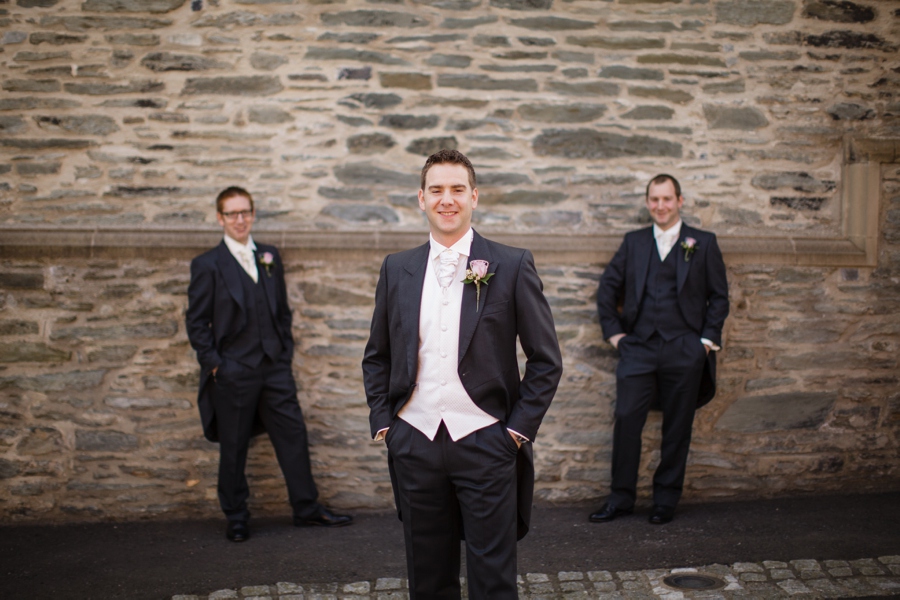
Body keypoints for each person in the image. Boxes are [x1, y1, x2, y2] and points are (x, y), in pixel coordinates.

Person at [362, 149, 563, 599]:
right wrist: (386, 425)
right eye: (436, 190)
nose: (446, 199)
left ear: (474, 197)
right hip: (414, 441)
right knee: (428, 580)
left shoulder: (511, 264)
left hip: (487, 442)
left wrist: (514, 433)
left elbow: (546, 359)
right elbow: (377, 354)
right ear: (421, 198)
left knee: (493, 582)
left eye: (457, 189)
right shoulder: (397, 268)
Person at [186, 186, 352, 542]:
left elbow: (281, 310)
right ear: (220, 218)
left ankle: (306, 509)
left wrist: (284, 351)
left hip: (274, 367)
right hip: (233, 370)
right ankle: (236, 516)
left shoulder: (269, 255)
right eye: (232, 214)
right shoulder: (207, 264)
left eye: (245, 212)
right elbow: (196, 322)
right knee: (234, 446)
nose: (240, 219)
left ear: (253, 214)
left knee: (293, 436)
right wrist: (216, 365)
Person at [590, 174, 729, 525]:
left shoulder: (703, 242)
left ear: (679, 201)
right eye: (654, 199)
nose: (660, 206)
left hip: (685, 349)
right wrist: (616, 336)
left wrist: (705, 344)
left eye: (667, 199)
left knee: (678, 426)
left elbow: (719, 297)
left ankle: (665, 499)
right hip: (638, 348)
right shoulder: (634, 242)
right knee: (626, 420)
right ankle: (621, 498)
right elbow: (607, 290)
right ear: (648, 202)